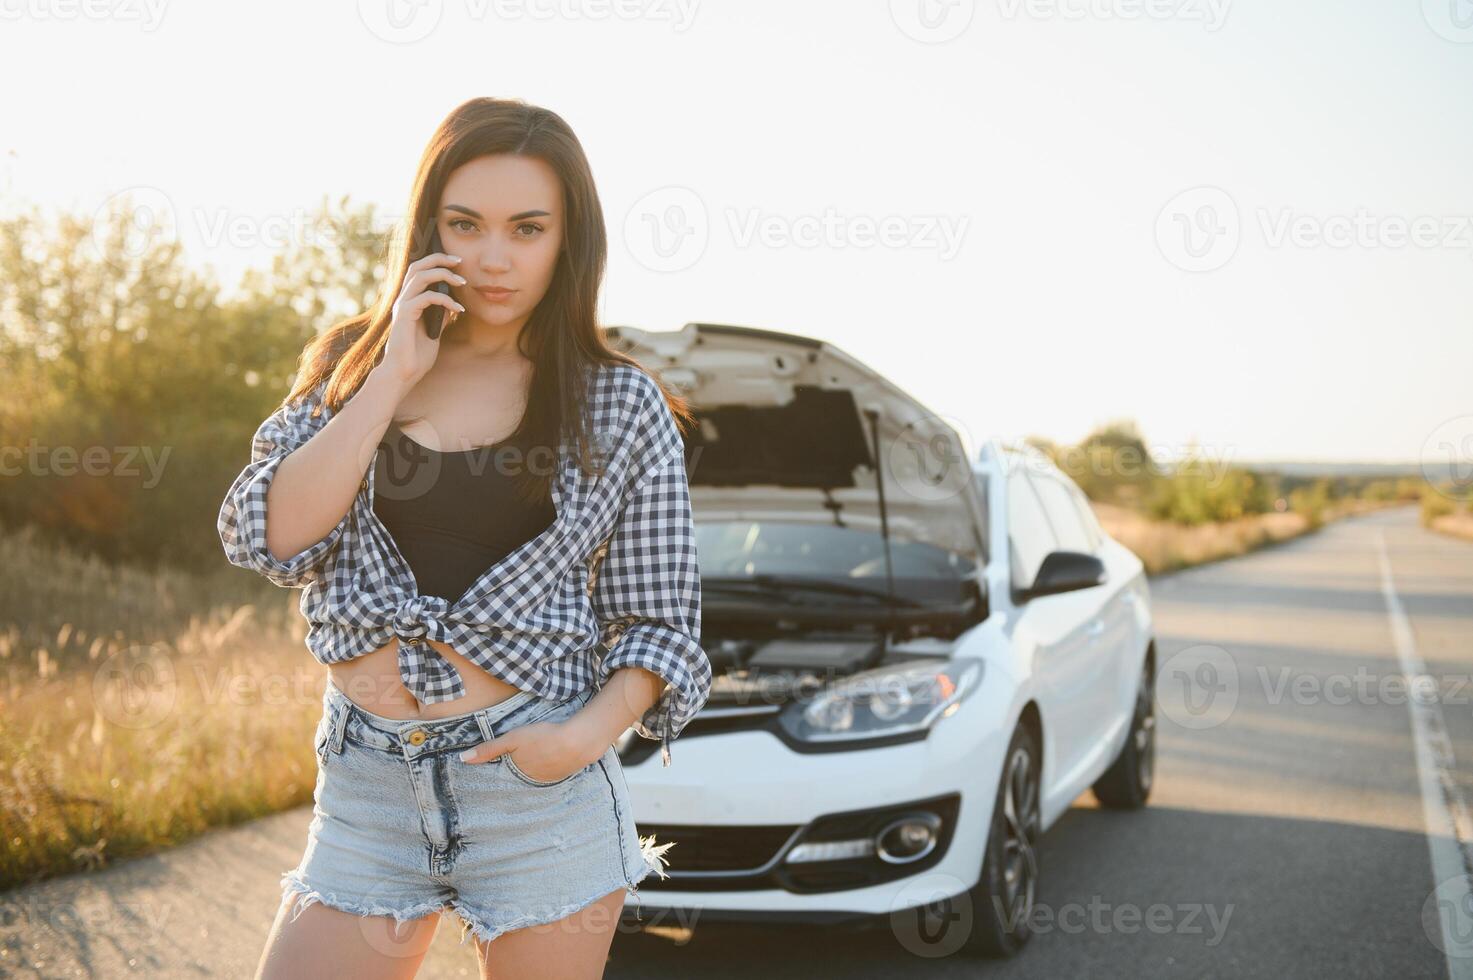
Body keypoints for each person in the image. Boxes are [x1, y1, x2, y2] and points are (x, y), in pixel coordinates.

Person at [217, 96, 711, 980]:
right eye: (464, 224)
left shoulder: (619, 404)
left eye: (526, 228)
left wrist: (575, 742)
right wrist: (391, 374)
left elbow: (659, 627)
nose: (492, 257)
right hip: (367, 790)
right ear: (427, 228)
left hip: (536, 793)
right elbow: (268, 536)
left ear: (569, 240)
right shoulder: (350, 368)